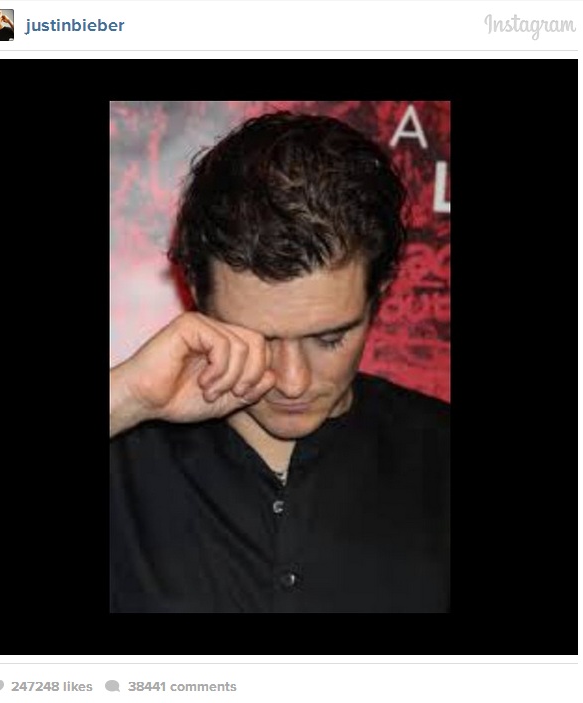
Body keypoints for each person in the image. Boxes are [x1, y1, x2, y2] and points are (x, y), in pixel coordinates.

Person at [110, 111, 450, 613]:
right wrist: (126, 397)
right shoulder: (124, 444)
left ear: (378, 296)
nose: (292, 382)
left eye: (329, 338)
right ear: (196, 293)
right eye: (259, 338)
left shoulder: (438, 455)